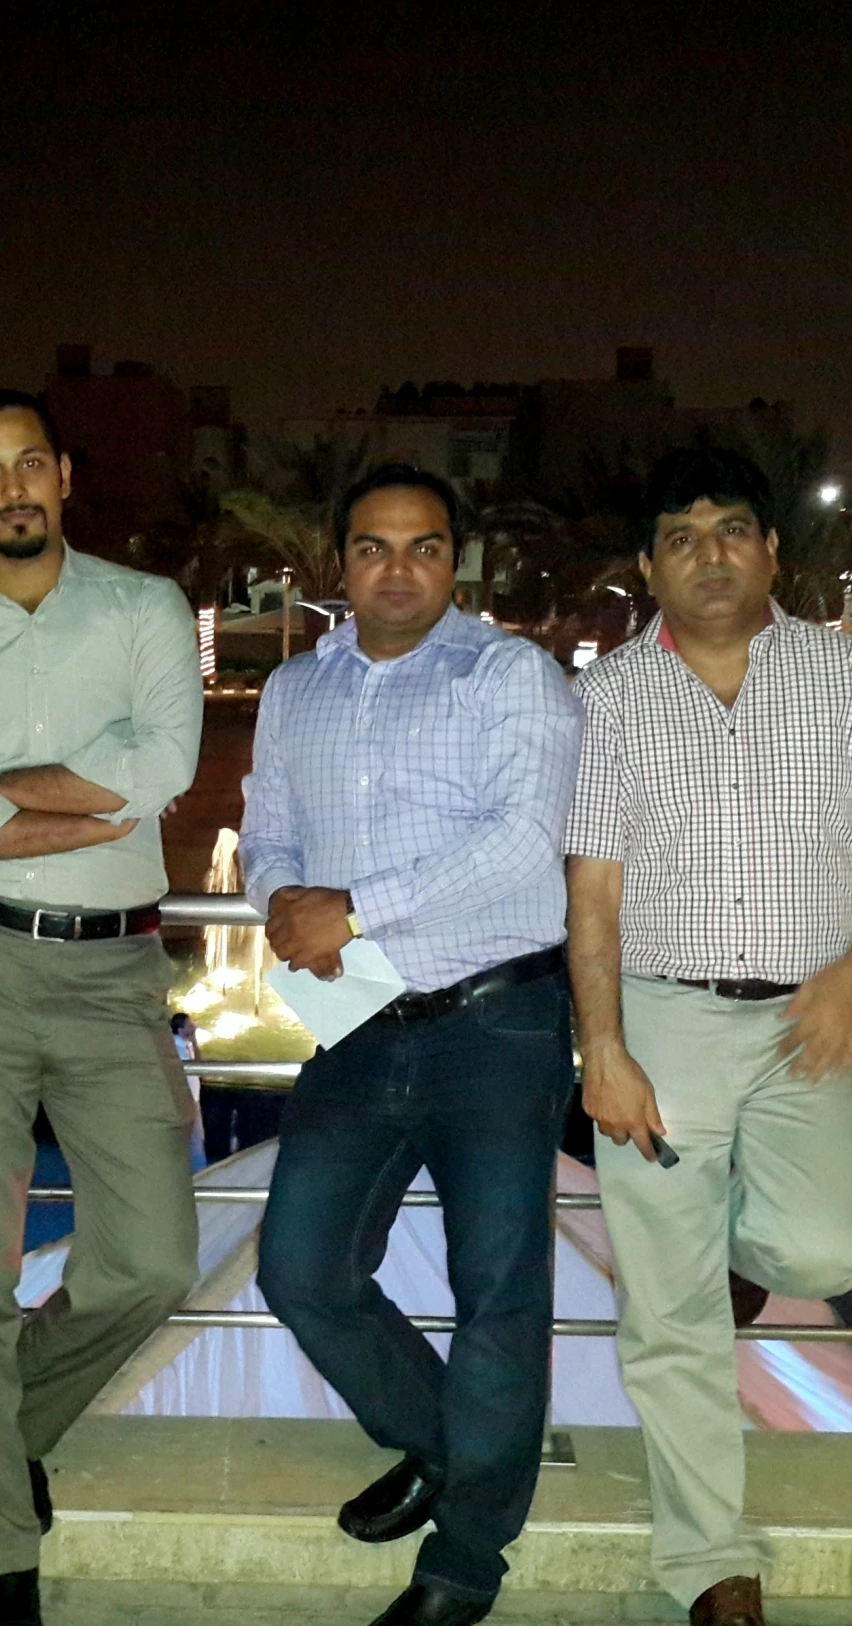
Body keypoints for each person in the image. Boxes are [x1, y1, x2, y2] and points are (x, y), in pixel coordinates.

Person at [563, 447, 852, 1626]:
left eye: (729, 529)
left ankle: (739, 1261)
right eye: (679, 538)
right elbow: (591, 892)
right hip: (663, 1015)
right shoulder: (610, 698)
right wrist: (603, 1045)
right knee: (670, 1319)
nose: (708, 556)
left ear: (772, 550)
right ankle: (706, 1564)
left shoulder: (839, 677)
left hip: (810, 1014)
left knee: (826, 1256)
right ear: (647, 566)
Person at [0, 389, 203, 1626]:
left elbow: (160, 774)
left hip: (115, 972)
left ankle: (0, 1415)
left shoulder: (144, 610)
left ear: (63, 475)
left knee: (153, 1259)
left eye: (28, 464)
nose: (10, 487)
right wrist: (80, 801)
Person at [241, 464, 584, 1626]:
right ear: (337, 563)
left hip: (498, 1020)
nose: (398, 569)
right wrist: (286, 902)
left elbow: (525, 842)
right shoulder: (294, 689)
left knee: (496, 1289)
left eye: (424, 547)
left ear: (456, 561)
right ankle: (442, 1446)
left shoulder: (510, 677)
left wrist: (353, 908)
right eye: (375, 547)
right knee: (301, 1268)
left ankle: (464, 1564)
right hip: (358, 1020)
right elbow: (266, 837)